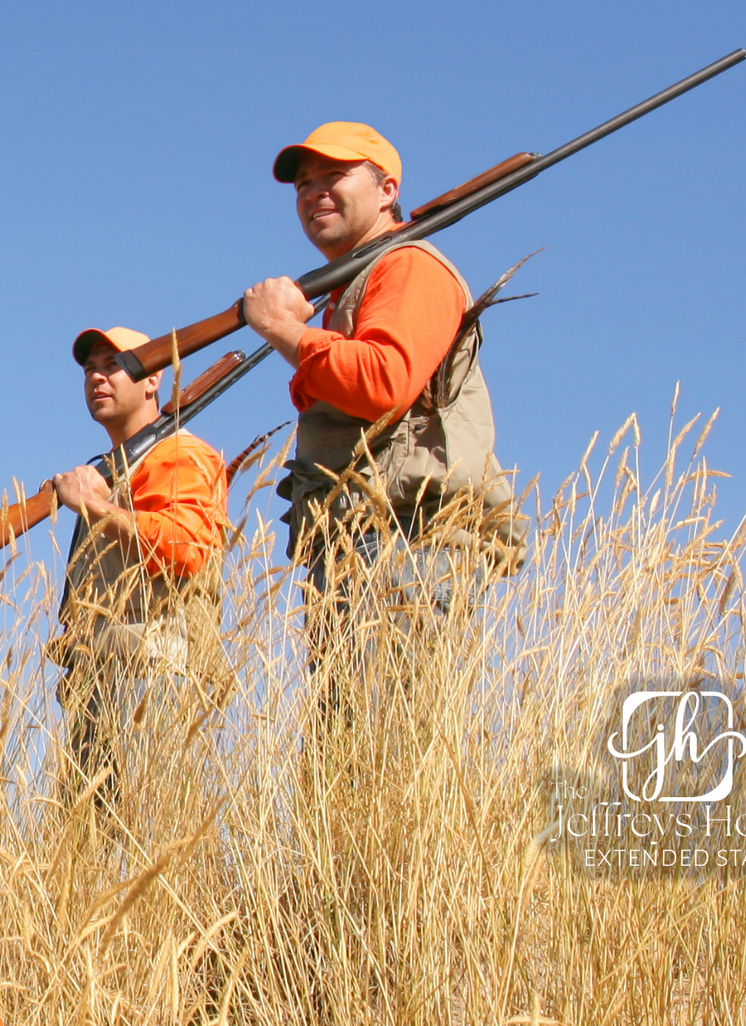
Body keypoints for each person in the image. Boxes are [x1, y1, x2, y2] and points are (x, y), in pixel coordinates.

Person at [237, 122, 524, 653]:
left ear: (387, 190)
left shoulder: (408, 265)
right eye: (303, 183)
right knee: (351, 734)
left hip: (402, 545)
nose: (313, 191)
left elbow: (380, 380)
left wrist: (284, 329)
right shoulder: (357, 285)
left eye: (334, 174)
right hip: (362, 547)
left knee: (384, 725)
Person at [45, 325, 229, 842]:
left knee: (163, 846)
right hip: (97, 681)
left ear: (154, 382)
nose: (97, 377)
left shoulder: (178, 454)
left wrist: (97, 507)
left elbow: (184, 550)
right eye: (89, 369)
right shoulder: (112, 468)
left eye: (113, 363)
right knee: (85, 851)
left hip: (155, 678)